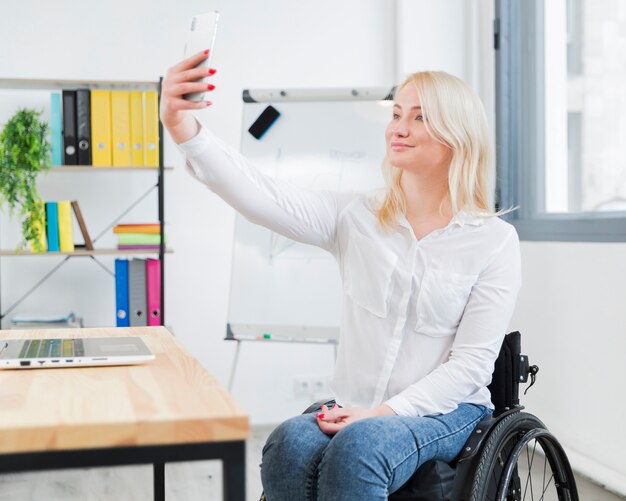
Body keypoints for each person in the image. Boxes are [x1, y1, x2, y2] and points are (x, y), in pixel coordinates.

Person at [160, 50, 521, 501]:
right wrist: (182, 128)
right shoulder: (357, 216)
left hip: (444, 411)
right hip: (355, 401)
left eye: (419, 117)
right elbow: (260, 195)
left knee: (360, 449)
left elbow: (469, 367)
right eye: (396, 114)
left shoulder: (493, 241)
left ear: (457, 137)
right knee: (287, 443)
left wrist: (384, 413)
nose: (399, 128)